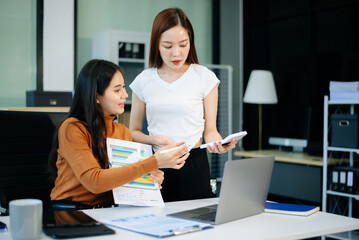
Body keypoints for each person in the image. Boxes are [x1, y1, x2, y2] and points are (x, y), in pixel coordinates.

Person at [129, 8, 238, 202]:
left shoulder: (204, 77)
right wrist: (154, 140)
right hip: (156, 164)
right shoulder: (143, 80)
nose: (176, 53)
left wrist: (220, 144)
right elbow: (133, 133)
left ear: (190, 42)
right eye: (168, 46)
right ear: (156, 45)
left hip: (194, 165)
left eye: (183, 44)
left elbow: (210, 131)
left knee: (198, 225)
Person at [48, 59, 188, 209]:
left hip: (109, 210)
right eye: (117, 90)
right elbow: (95, 182)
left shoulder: (122, 131)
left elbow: (125, 176)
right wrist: (153, 162)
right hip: (72, 211)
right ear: (96, 96)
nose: (125, 95)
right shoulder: (72, 128)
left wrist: (150, 179)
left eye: (124, 88)